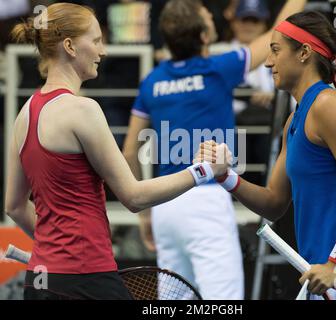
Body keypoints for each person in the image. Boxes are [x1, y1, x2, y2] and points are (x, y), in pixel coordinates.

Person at [5, 3, 230, 300]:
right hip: (86, 278)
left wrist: (52, 250)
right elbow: (134, 197)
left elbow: (14, 206)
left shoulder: (24, 114)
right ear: (70, 46)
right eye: (96, 40)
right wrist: (204, 170)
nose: (104, 51)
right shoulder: (82, 110)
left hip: (41, 281)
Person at [123, 0, 307, 299]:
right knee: (223, 302)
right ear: (205, 37)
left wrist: (145, 213)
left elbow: (130, 152)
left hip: (164, 203)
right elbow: (275, 33)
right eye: (207, 15)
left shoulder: (151, 82)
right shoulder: (219, 68)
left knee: (174, 302)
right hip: (207, 197)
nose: (211, 13)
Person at [197, 10, 336, 299]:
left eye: (275, 50)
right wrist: (226, 176)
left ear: (304, 53)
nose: (268, 62)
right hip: (323, 273)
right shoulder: (294, 120)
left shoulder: (327, 105)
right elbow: (274, 203)